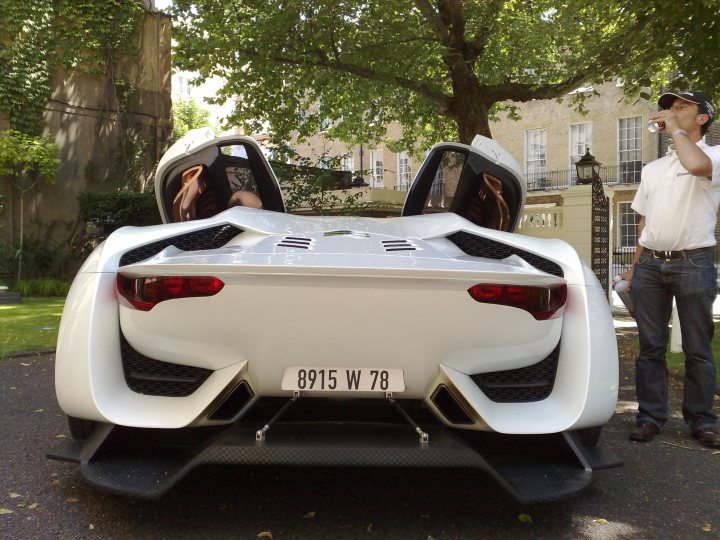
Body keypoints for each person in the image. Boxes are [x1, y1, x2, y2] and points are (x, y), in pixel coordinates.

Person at [621, 90, 720, 448]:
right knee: (650, 347)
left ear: (702, 118)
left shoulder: (713, 155)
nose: (672, 113)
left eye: (682, 108)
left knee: (697, 349)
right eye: (669, 108)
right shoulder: (653, 169)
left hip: (694, 261)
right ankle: (649, 417)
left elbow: (695, 166)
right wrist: (634, 268)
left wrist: (676, 130)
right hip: (650, 264)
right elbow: (645, 222)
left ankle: (702, 421)